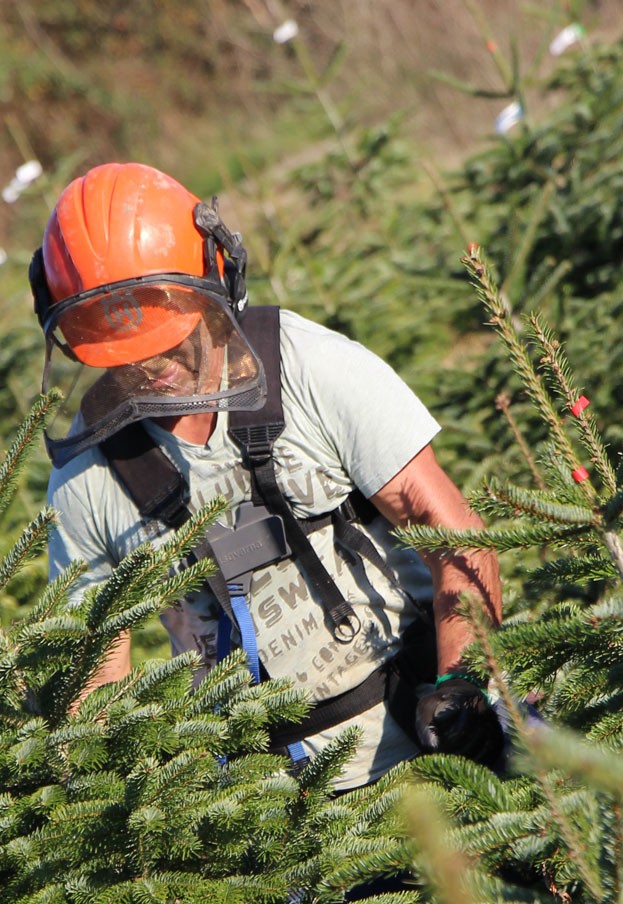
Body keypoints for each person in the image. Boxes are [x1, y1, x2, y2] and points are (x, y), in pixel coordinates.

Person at [36, 161, 505, 792]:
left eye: (168, 335)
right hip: (268, 819)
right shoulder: (89, 479)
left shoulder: (313, 370)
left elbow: (453, 532)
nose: (150, 368)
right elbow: (93, 682)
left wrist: (463, 688)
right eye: (121, 350)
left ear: (214, 276)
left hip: (430, 744)